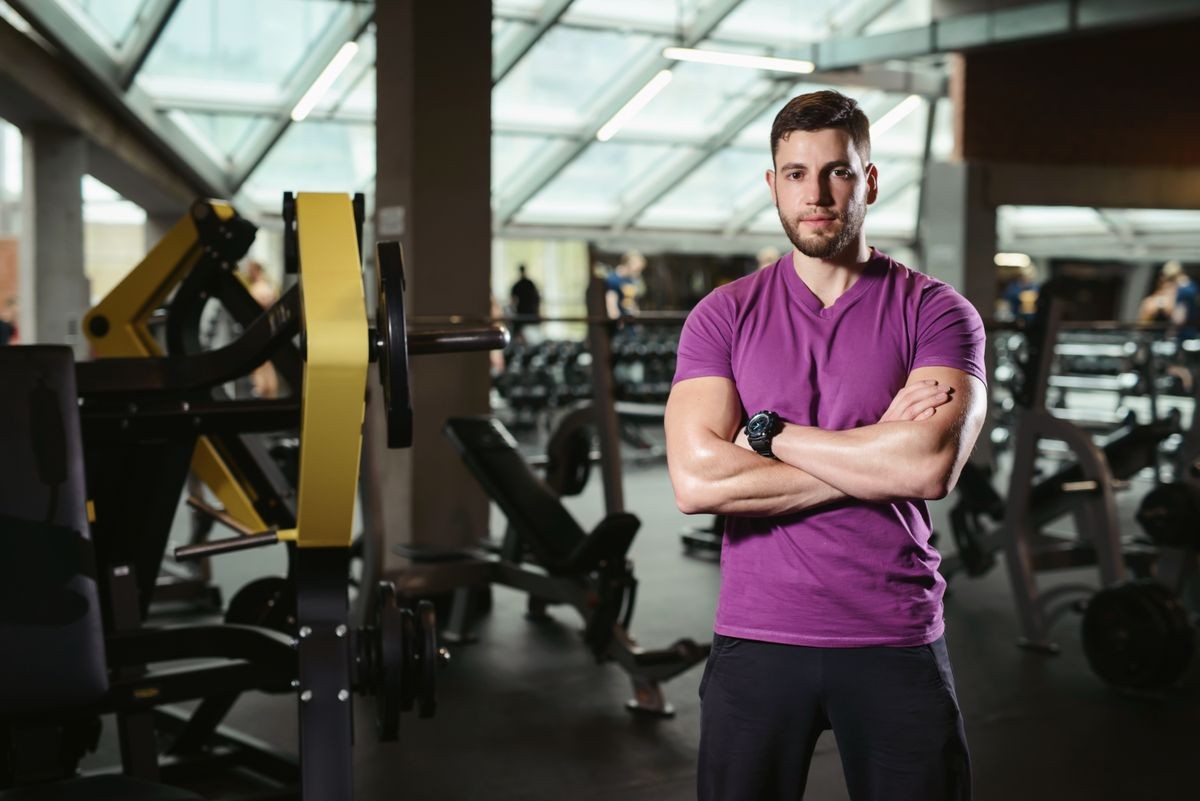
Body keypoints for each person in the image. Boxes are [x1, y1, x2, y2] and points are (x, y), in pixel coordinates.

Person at [665, 90, 986, 801]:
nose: (815, 193)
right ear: (773, 184)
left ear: (868, 179)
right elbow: (695, 481)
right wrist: (876, 455)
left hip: (894, 630)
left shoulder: (936, 311)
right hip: (758, 631)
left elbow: (929, 464)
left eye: (837, 171)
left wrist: (770, 437)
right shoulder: (723, 314)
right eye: (794, 173)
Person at [242, 260, 279, 398]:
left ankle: (263, 388)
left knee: (259, 363)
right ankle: (269, 391)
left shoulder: (256, 288)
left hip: (259, 329)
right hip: (269, 328)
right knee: (267, 363)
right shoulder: (269, 286)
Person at [605, 250, 645, 320]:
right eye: (637, 270)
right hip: (620, 325)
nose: (638, 273)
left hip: (630, 323)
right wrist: (617, 320)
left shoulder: (629, 280)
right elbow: (612, 307)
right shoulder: (613, 280)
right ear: (628, 264)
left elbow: (630, 302)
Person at [509, 263, 541, 343]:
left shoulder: (518, 285)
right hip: (529, 314)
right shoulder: (530, 284)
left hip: (523, 314)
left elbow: (512, 301)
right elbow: (537, 299)